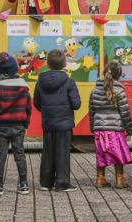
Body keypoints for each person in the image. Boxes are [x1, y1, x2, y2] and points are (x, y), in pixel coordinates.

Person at [0, 53, 32, 196]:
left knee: (0, 156)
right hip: (19, 125)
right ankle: (23, 184)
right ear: (15, 69)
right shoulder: (23, 86)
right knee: (20, 154)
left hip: (2, 126)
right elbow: (28, 107)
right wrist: (26, 123)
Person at [34, 49, 81, 192]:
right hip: (64, 123)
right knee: (63, 152)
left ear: (47, 64)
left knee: (48, 151)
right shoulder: (69, 81)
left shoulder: (40, 81)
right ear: (64, 64)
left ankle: (46, 183)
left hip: (48, 121)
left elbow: (37, 102)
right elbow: (76, 104)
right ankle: (62, 183)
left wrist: (48, 111)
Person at [88, 61, 132, 189]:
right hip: (116, 129)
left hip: (99, 129)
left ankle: (100, 179)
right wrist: (130, 128)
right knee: (117, 153)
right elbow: (125, 112)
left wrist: (93, 127)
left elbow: (91, 111)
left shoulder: (95, 91)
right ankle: (119, 180)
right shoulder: (120, 91)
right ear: (119, 75)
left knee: (100, 153)